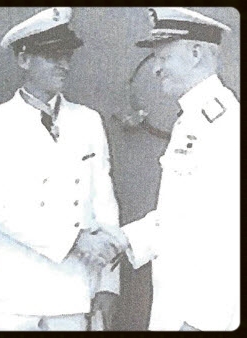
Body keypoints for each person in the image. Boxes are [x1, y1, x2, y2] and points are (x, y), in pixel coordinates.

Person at [0, 7, 127, 331]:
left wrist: (107, 285)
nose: (64, 64)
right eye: (51, 56)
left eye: (66, 55)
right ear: (24, 60)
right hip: (12, 294)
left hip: (72, 290)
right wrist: (74, 240)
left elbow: (104, 205)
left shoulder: (87, 121)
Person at [111, 7, 240, 331]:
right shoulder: (191, 120)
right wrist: (124, 240)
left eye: (163, 57)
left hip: (199, 318)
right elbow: (183, 216)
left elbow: (229, 230)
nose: (155, 69)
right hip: (175, 310)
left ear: (196, 53)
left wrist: (202, 321)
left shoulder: (224, 124)